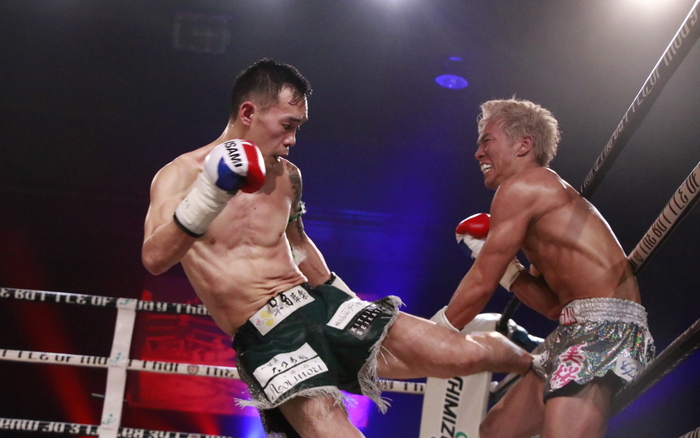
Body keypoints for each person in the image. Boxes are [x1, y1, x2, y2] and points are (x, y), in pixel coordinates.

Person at [141, 59, 532, 438]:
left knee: (459, 354)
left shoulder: (288, 175)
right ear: (248, 112)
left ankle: (540, 360)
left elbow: (298, 244)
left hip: (318, 302)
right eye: (287, 125)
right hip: (267, 335)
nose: (292, 140)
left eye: (298, 127)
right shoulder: (181, 175)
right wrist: (210, 194)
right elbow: (154, 259)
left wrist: (342, 296)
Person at [437, 98, 655, 437]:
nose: (478, 153)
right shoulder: (539, 200)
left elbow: (481, 282)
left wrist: (436, 332)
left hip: (606, 328)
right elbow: (553, 307)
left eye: (487, 141)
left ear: (523, 145)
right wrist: (509, 271)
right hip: (574, 327)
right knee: (495, 432)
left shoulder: (523, 187)